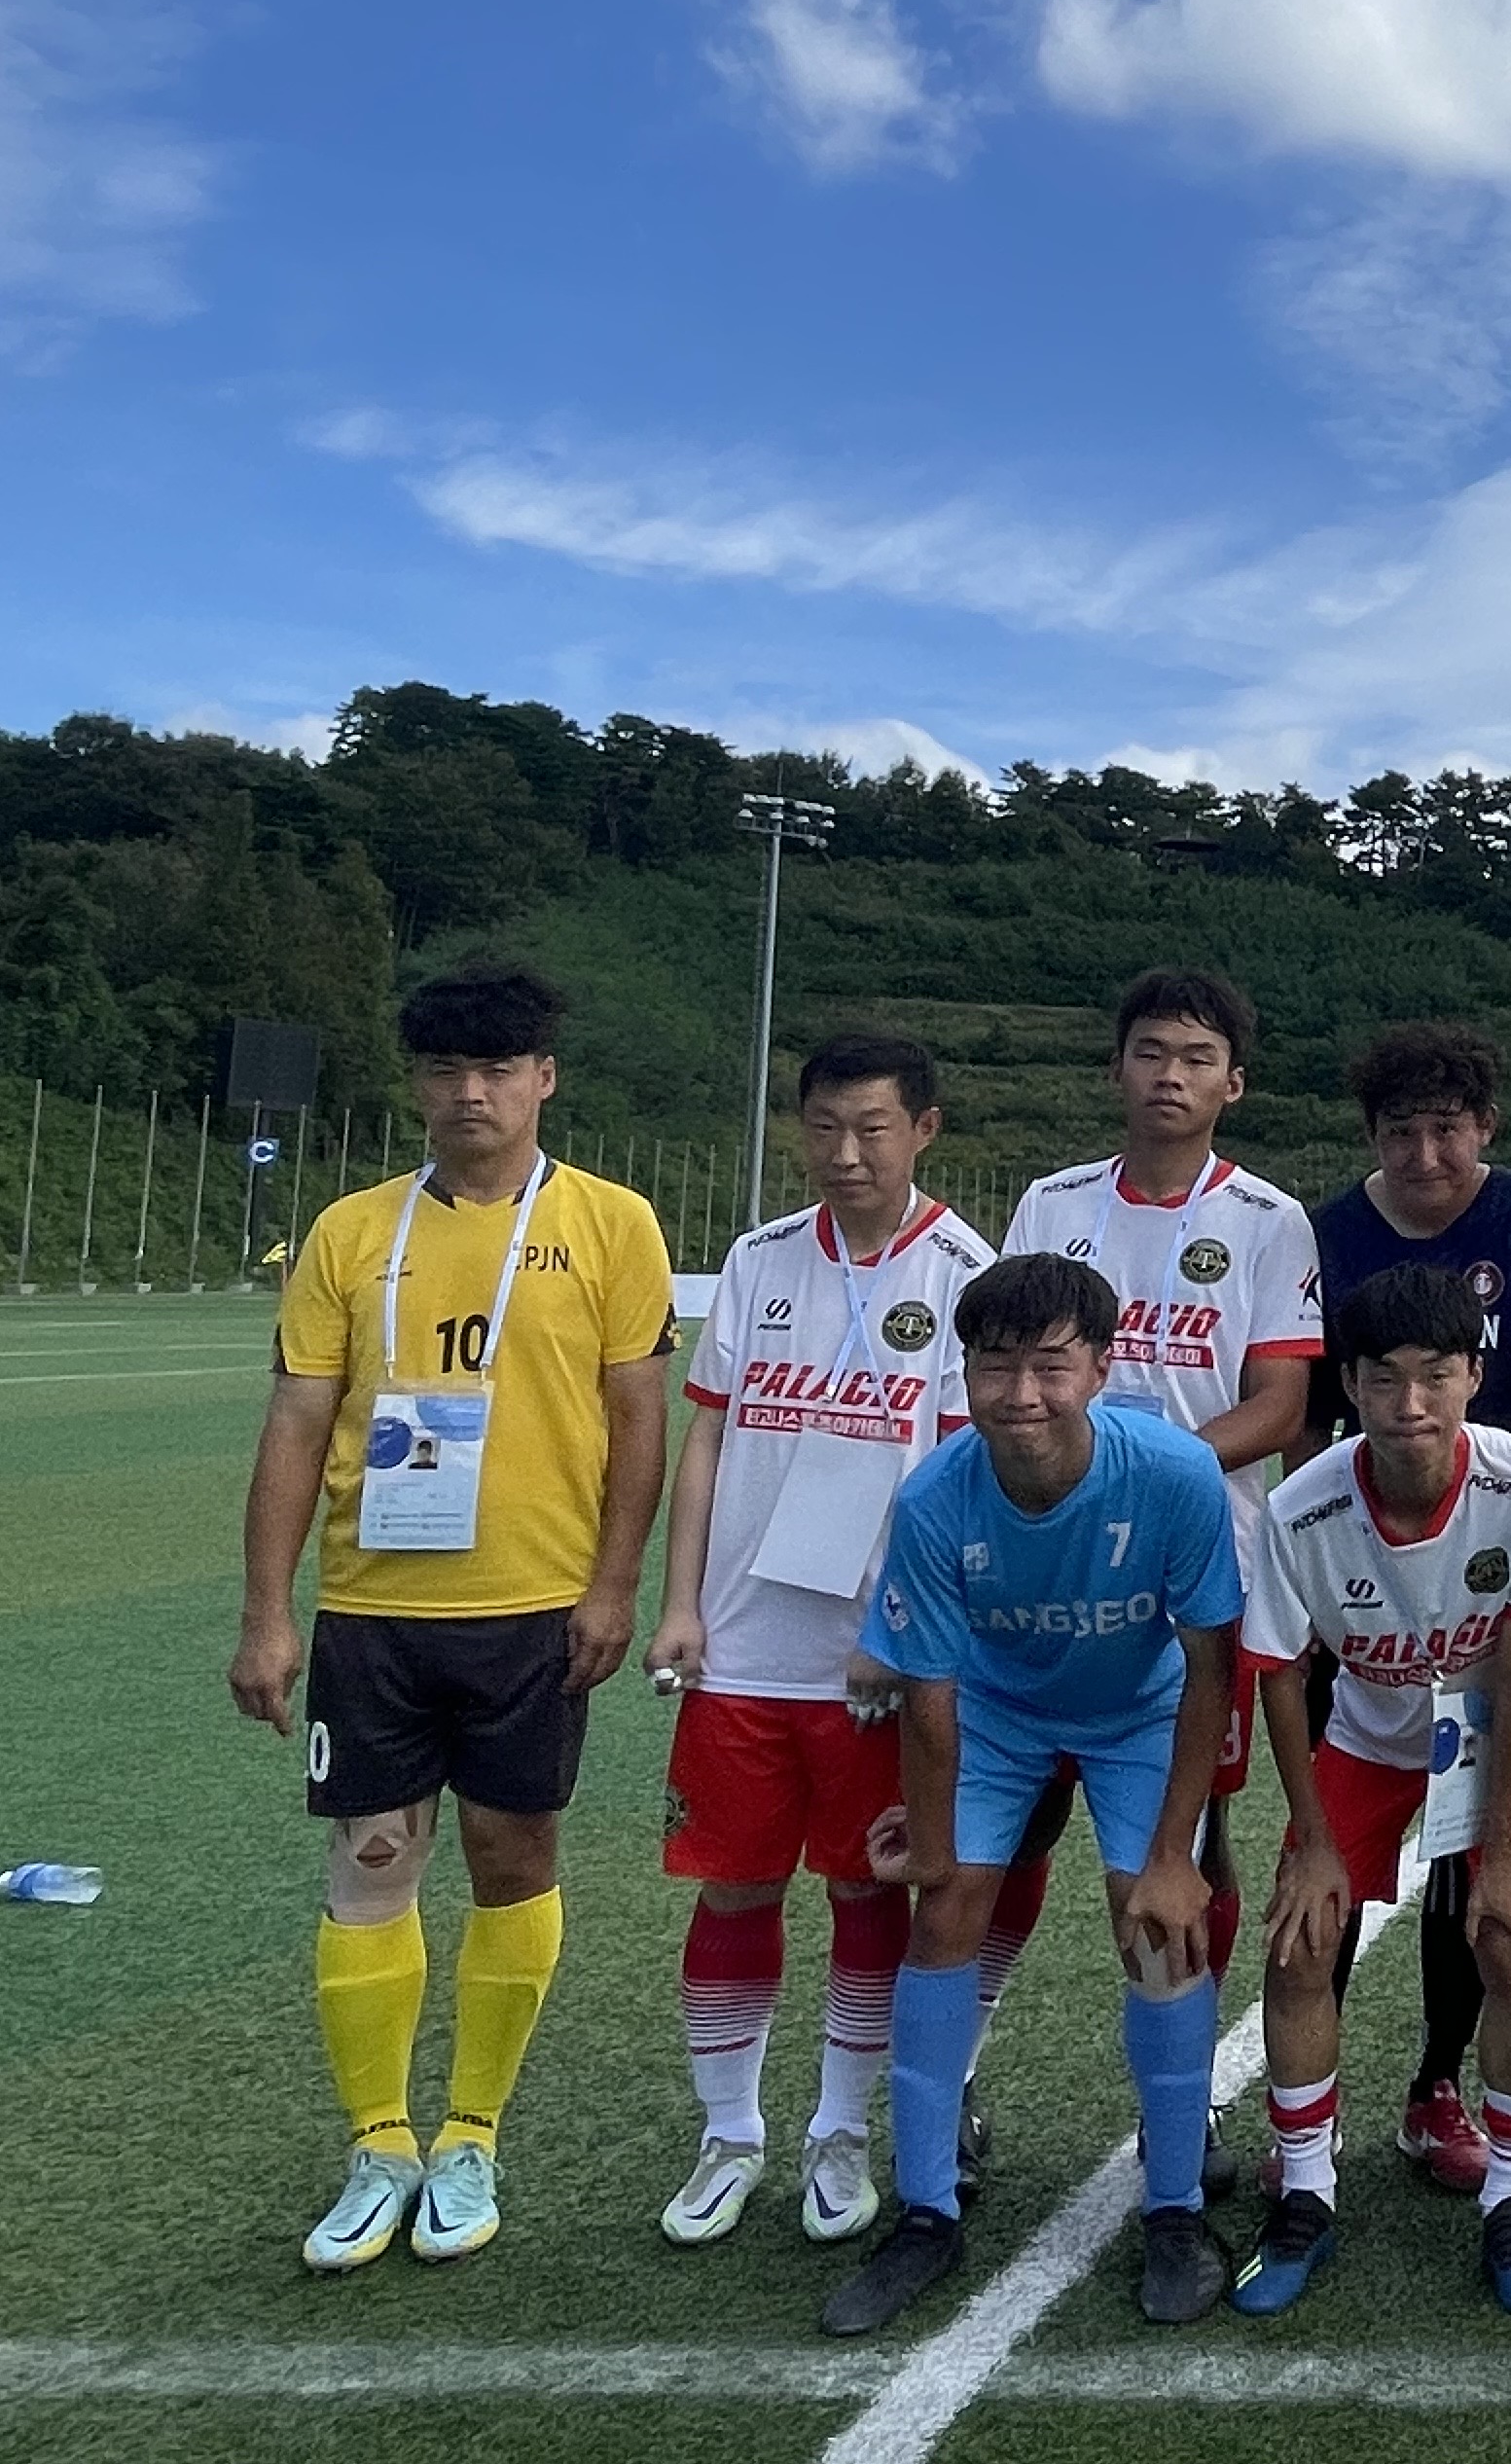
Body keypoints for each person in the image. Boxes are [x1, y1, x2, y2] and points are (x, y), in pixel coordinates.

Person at [232, 962, 676, 2273]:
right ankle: (379, 2144)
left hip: (533, 1610)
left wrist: (613, 1584)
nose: (470, 1092)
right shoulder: (349, 1232)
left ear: (544, 1078)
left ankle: (471, 2131)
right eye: (444, 1070)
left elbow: (639, 1418)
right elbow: (296, 1425)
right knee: (372, 1860)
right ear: (417, 1083)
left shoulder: (612, 1224)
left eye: (496, 1069)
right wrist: (267, 1615)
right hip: (374, 1611)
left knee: (510, 1854)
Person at [816, 1253, 1243, 2335]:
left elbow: (1210, 1667)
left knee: (1156, 1927)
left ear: (1100, 1369)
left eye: (1051, 1366)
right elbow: (929, 1696)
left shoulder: (1177, 1474)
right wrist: (932, 1843)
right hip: (997, 1712)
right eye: (995, 1367)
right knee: (945, 1911)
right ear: (963, 1373)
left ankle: (1177, 2209)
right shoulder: (934, 1497)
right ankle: (926, 2211)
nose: (1022, 1395)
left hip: (1139, 1710)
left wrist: (1173, 1856)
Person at [647, 1028, 996, 2252]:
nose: (846, 1154)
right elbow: (707, 1438)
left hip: (871, 1667)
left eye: (873, 1129)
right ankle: (728, 2134)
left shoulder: (965, 1272)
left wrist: (901, 1630)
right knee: (734, 1886)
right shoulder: (759, 1260)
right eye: (825, 1129)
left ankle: (839, 2131)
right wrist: (680, 1603)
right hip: (741, 1650)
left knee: (865, 1887)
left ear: (924, 1131)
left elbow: (958, 1482)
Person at [977, 969, 1320, 2183]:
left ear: (1235, 1083)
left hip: (1190, 1579)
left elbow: (1280, 1404)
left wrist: (1131, 1470)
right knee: (1012, 1832)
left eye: (1196, 1057)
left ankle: (1190, 2102)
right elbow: (1008, 1367)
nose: (1171, 1076)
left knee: (1192, 1838)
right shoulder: (1052, 1203)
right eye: (1151, 1052)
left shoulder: (1271, 1219)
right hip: (1041, 1565)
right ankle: (958, 2074)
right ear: (1116, 1067)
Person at [1231, 1263, 1511, 2320]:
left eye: (1436, 1374)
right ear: (1348, 1384)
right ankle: (1306, 2192)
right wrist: (1311, 1842)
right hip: (1374, 1728)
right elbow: (1281, 1674)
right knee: (1300, 1939)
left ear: (1475, 1375)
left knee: (1510, 1938)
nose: (1411, 1403)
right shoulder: (1300, 1508)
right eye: (1384, 1378)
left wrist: (1505, 1852)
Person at [1303, 1023, 1511, 2197]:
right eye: (1401, 1132)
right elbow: (1318, 1416)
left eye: (1448, 1130)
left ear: (1486, 1128)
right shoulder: (1328, 1231)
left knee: (1478, 1863)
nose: (1426, 1154)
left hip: (1497, 1569)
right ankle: (1305, 2123)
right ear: (1371, 1136)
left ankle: (1435, 2085)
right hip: (1368, 1571)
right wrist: (1333, 1565)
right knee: (1322, 1873)